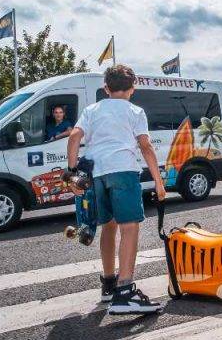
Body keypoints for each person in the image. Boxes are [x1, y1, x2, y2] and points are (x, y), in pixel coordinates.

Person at [67, 64, 167, 314]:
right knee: (130, 227)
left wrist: (72, 174)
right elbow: (145, 146)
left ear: (106, 88)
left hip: (95, 174)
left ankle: (109, 284)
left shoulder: (92, 110)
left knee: (108, 227)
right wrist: (159, 181)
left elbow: (74, 138)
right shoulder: (135, 111)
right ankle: (125, 291)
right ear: (133, 88)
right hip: (123, 171)